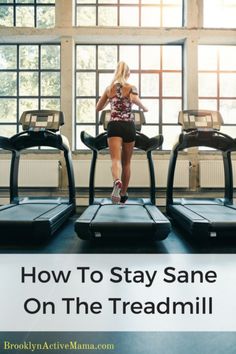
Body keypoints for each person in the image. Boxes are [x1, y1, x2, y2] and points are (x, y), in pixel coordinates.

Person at [96, 61, 148, 204]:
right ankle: (123, 194)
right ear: (128, 73)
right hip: (128, 126)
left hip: (114, 126)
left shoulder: (109, 89)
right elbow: (135, 100)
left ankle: (116, 180)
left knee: (115, 160)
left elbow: (98, 108)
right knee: (127, 163)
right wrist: (144, 107)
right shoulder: (131, 88)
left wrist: (110, 100)